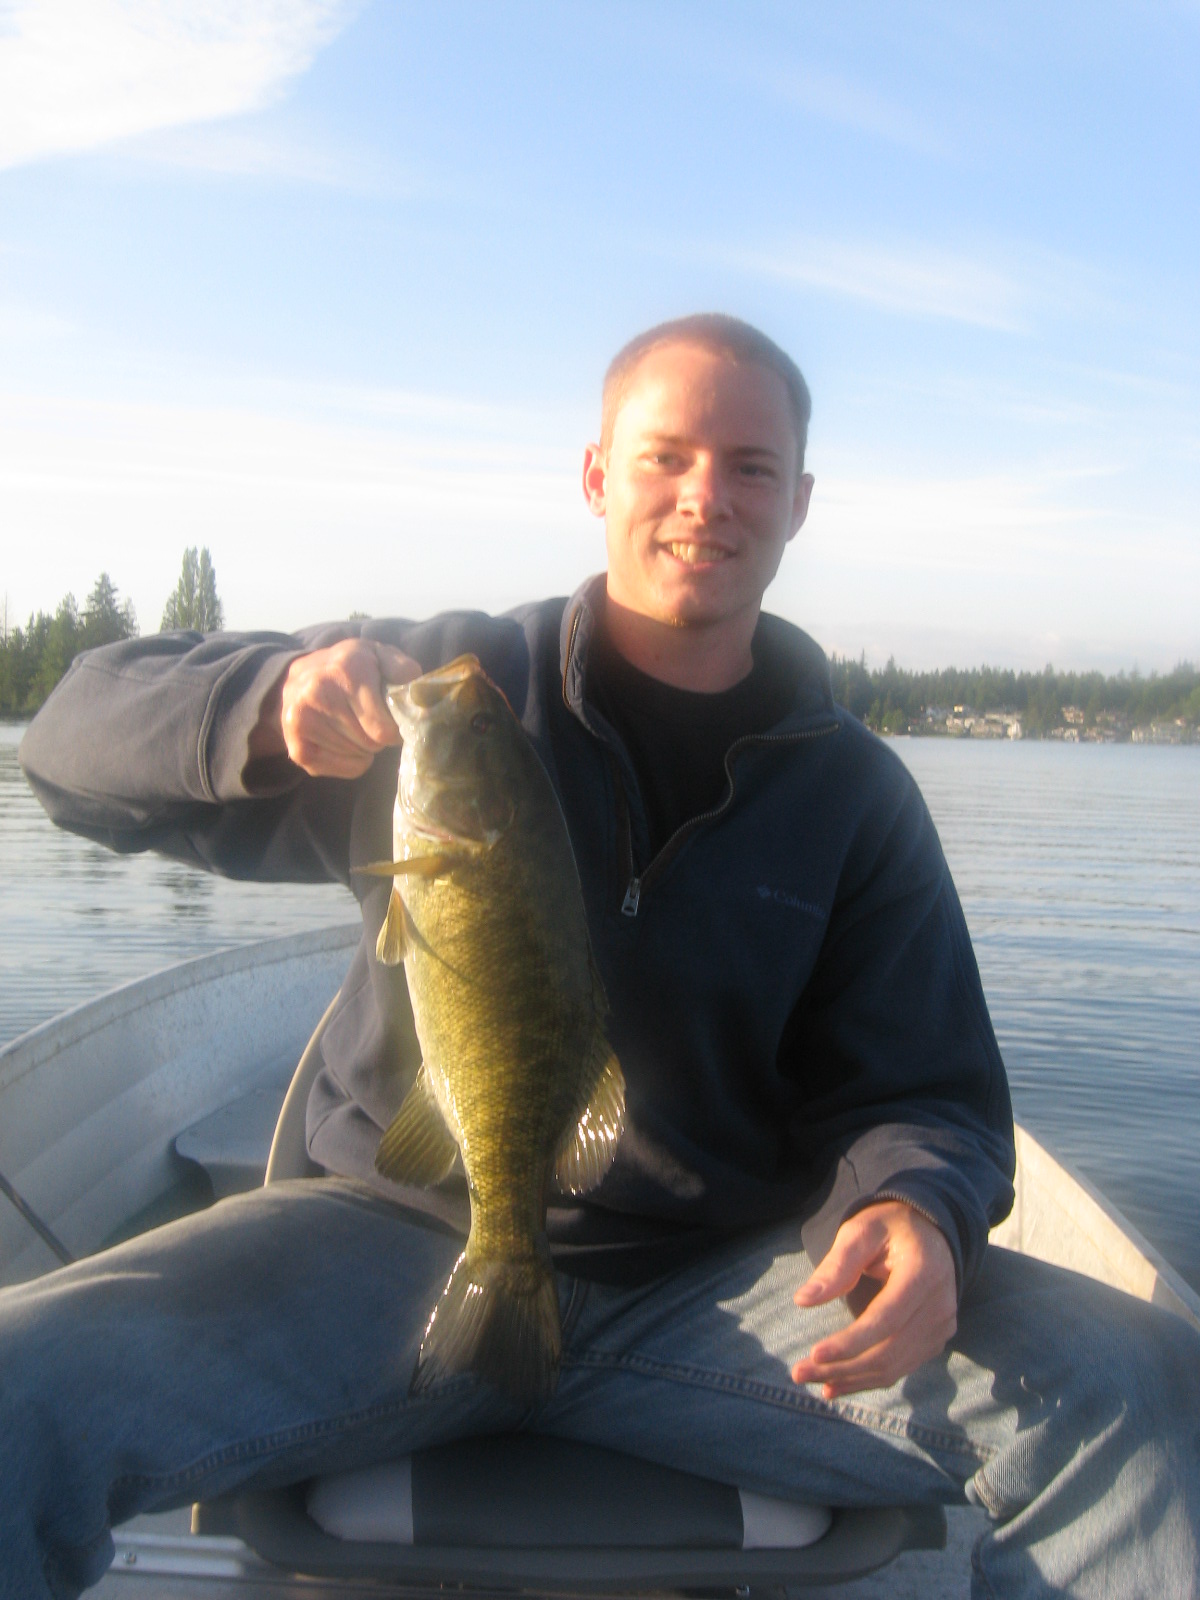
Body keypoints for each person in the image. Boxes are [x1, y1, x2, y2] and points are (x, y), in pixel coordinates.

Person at [6, 315, 1198, 1599]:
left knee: (1140, 1392)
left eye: (749, 466)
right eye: (666, 456)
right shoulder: (438, 701)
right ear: (595, 477)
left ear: (799, 503)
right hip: (387, 1243)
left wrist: (917, 1207)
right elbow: (71, 741)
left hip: (728, 1294)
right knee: (23, 1390)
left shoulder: (857, 796)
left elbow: (929, 1089)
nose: (705, 498)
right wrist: (266, 704)